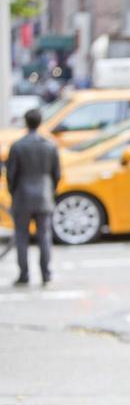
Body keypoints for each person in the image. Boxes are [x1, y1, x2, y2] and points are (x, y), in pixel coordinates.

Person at [6, 109, 60, 286]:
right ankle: (46, 274)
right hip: (44, 195)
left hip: (22, 196)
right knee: (44, 236)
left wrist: (13, 193)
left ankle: (24, 274)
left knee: (22, 237)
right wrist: (50, 192)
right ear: (40, 122)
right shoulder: (50, 145)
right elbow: (56, 174)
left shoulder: (17, 146)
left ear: (26, 122)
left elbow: (11, 175)